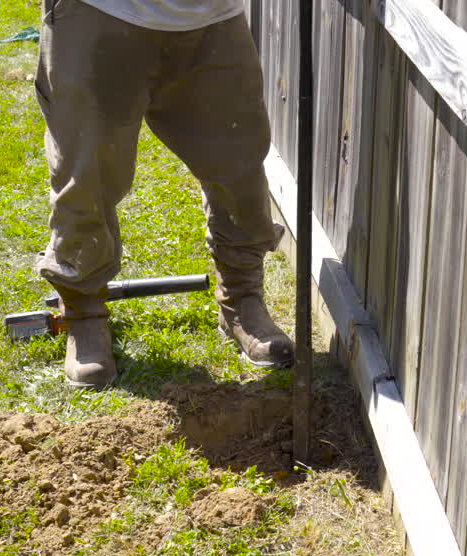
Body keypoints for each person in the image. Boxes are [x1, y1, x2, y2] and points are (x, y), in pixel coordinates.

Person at [34, 0, 295, 387]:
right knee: (87, 172)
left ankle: (241, 300)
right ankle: (84, 313)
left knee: (238, 163)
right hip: (101, 11)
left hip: (212, 16)